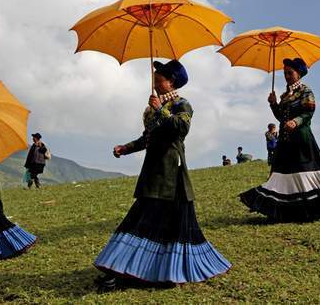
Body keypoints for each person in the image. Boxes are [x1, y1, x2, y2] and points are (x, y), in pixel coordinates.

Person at [94, 60, 231, 289]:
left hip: (172, 171)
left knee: (160, 221)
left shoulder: (182, 104)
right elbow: (147, 139)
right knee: (142, 218)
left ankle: (141, 271)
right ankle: (122, 269)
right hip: (153, 169)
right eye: (154, 79)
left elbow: (181, 128)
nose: (155, 83)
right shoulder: (150, 110)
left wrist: (159, 109)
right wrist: (125, 148)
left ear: (171, 82)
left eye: (159, 80)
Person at [239, 58, 320, 223]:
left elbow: (309, 112)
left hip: (301, 139)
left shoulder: (306, 91)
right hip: (285, 141)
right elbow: (281, 117)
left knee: (303, 171)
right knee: (281, 173)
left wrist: (296, 121)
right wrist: (273, 104)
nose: (286, 76)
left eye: (290, 73)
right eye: (285, 73)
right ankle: (282, 209)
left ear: (298, 74)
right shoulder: (285, 95)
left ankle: (314, 206)